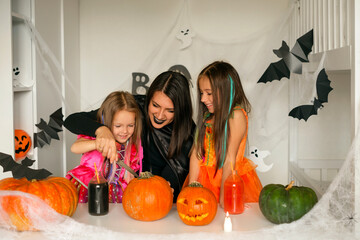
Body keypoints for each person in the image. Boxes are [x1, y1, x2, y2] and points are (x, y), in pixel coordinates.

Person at [64, 71, 195, 201]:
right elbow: (72, 120)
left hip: (150, 197)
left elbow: (174, 174)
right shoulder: (133, 107)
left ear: (180, 110)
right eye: (155, 105)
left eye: (170, 110)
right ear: (148, 98)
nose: (160, 116)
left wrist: (164, 188)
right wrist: (101, 129)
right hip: (125, 193)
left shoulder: (187, 131)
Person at [188, 61, 262, 207]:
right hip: (204, 181)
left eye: (209, 93)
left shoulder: (236, 116)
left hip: (229, 181)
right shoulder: (208, 117)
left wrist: (225, 200)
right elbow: (196, 153)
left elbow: (229, 160)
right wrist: (192, 186)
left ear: (226, 90)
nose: (203, 99)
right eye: (202, 93)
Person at [66, 91, 143, 203]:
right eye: (118, 126)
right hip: (89, 185)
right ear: (106, 120)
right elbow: (75, 148)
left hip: (117, 191)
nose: (125, 131)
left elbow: (132, 170)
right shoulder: (99, 136)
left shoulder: (132, 145)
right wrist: (97, 144)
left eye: (130, 125)